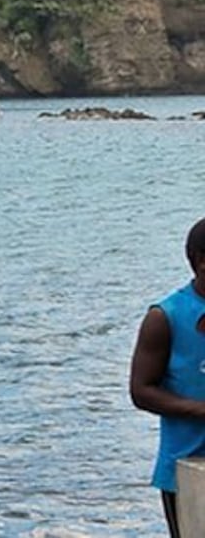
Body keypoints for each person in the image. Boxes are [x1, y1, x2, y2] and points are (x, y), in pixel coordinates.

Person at [131, 218, 205, 537]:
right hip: (186, 466)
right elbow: (142, 391)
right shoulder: (166, 317)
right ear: (202, 262)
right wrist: (201, 409)